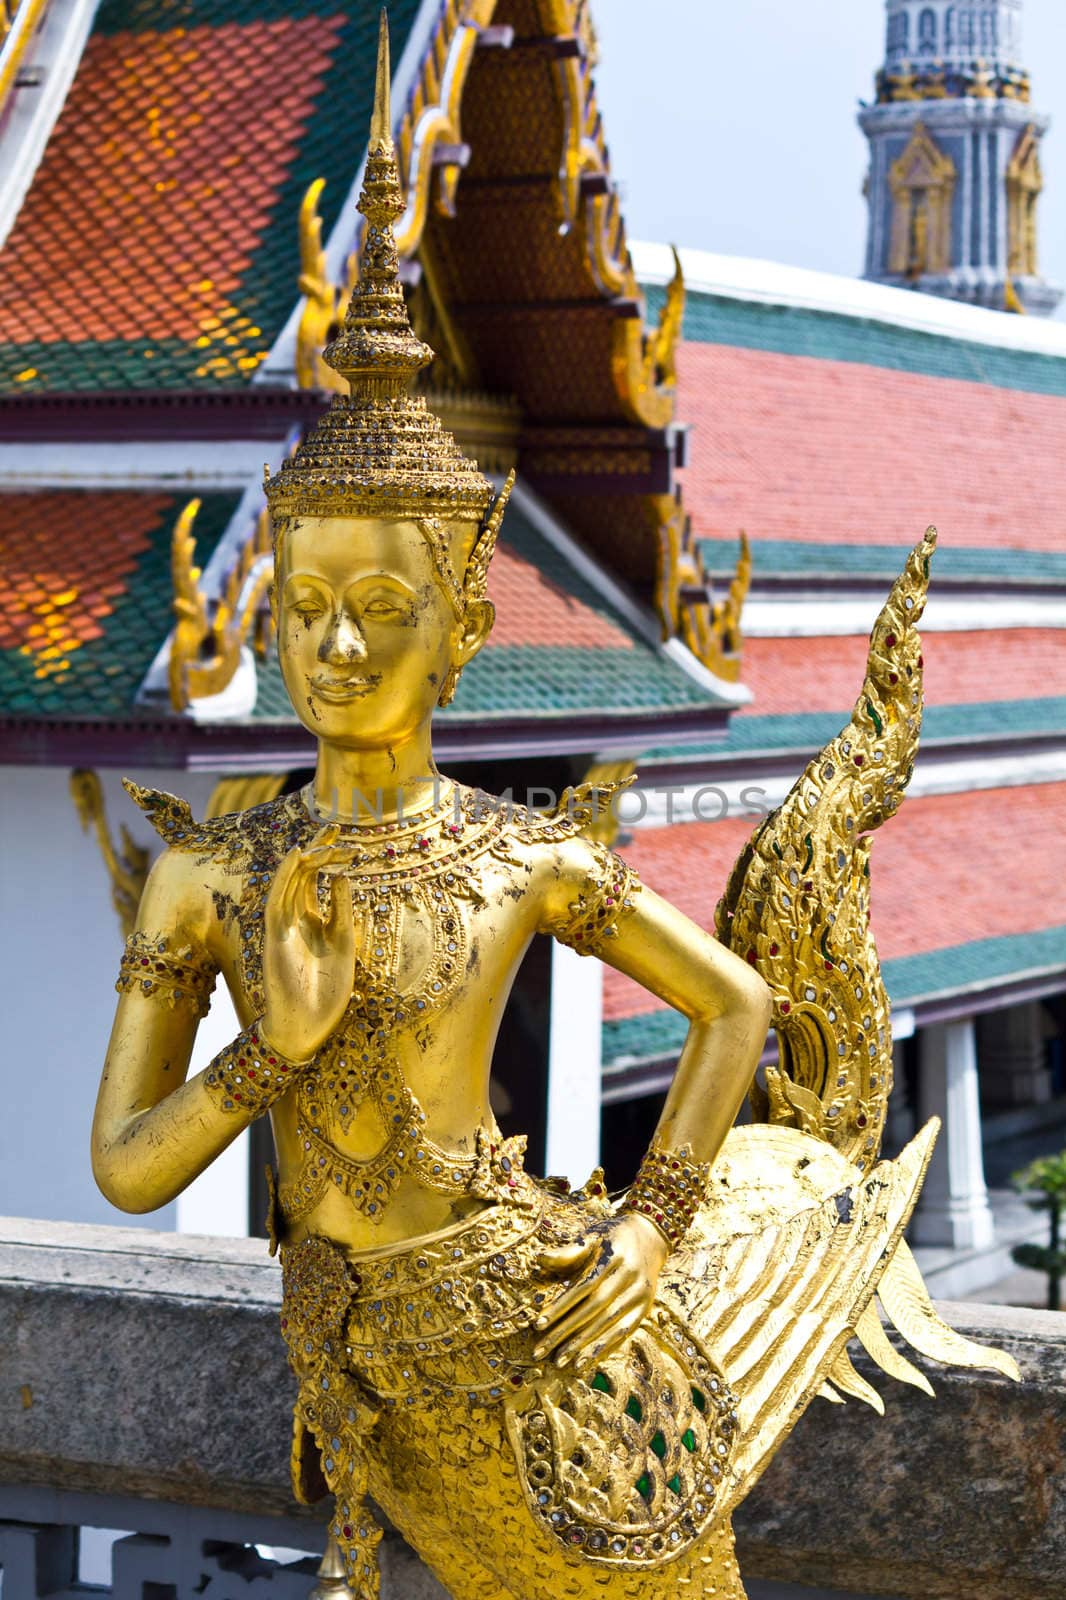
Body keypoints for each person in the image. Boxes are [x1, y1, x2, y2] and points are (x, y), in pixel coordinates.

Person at [92, 19, 1013, 1598]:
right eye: (303, 609)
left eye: (379, 610)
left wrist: (653, 1228)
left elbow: (735, 1009)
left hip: (548, 1346)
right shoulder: (212, 881)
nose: (332, 647)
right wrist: (270, 1055)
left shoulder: (521, 856)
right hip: (362, 1368)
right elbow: (123, 1169)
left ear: (460, 624)